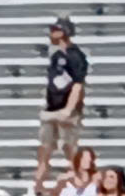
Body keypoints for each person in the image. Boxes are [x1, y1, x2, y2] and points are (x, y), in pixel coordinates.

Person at [32, 19, 89, 186]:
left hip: (67, 109)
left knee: (70, 149)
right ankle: (38, 185)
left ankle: (79, 185)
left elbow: (78, 85)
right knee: (44, 149)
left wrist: (69, 109)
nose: (50, 34)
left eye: (54, 30)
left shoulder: (76, 56)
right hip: (52, 108)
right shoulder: (56, 56)